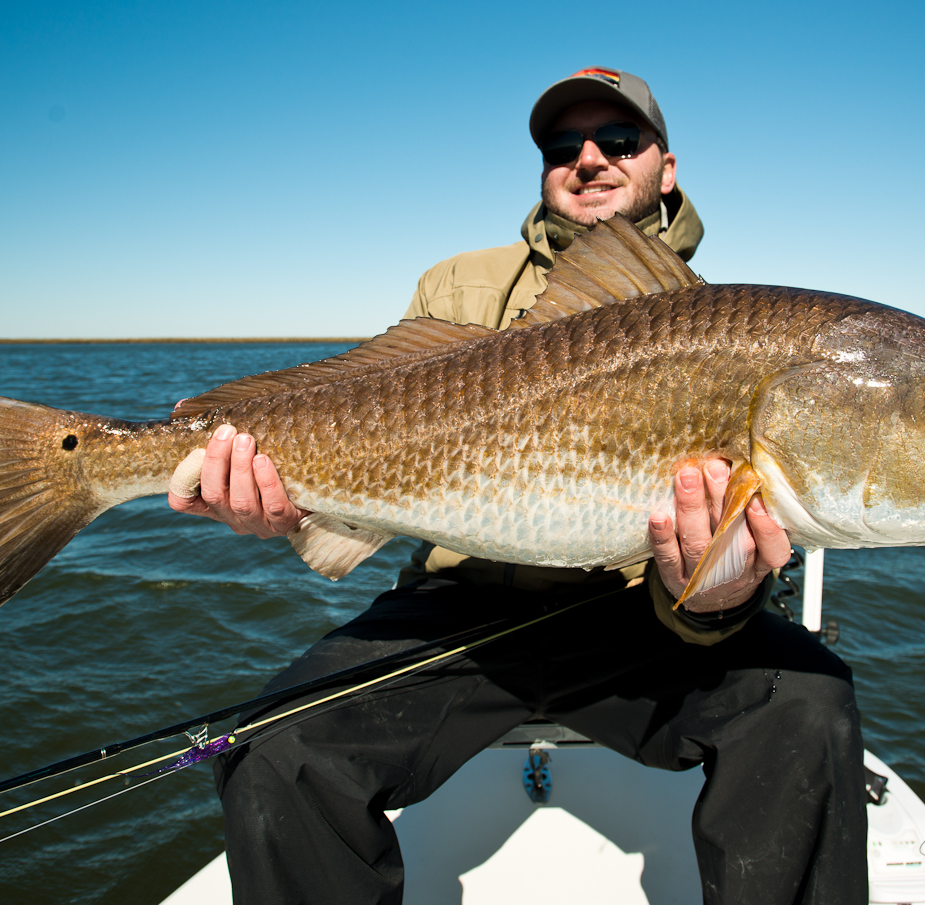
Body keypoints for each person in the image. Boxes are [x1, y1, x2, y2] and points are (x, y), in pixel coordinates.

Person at [170, 67, 867, 904]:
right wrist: (281, 503)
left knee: (808, 703)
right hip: (457, 608)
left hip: (637, 616)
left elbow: (713, 589)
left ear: (666, 167)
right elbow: (374, 427)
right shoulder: (457, 284)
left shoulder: (729, 323)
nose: (588, 159)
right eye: (560, 145)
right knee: (272, 746)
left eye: (618, 140)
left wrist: (713, 591)